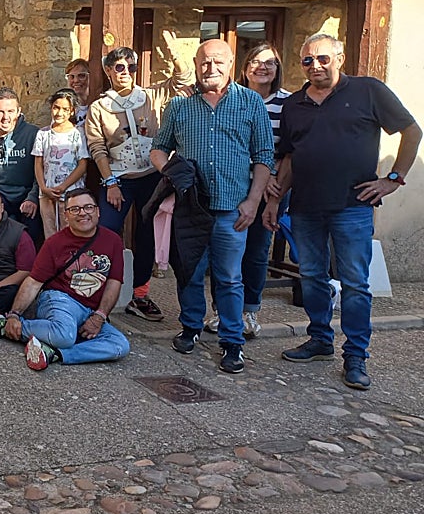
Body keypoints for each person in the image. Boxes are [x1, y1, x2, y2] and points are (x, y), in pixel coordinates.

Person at [270, 34, 421, 390]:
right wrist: (276, 200)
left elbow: (411, 131)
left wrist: (394, 179)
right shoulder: (295, 105)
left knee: (355, 284)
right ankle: (320, 339)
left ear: (339, 56)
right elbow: (290, 157)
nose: (315, 66)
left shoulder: (369, 91)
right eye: (308, 61)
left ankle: (355, 355)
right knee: (312, 277)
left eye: (323, 58)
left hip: (353, 207)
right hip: (305, 208)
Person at [151, 39, 274, 375]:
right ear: (195, 63)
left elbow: (264, 158)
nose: (211, 68)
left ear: (231, 63)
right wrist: (170, 172)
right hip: (191, 210)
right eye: (204, 62)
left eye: (218, 62)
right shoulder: (179, 107)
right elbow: (159, 148)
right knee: (188, 273)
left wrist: (252, 202)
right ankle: (190, 327)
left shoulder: (250, 103)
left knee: (230, 279)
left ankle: (232, 342)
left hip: (232, 210)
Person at [84, 35, 190, 322]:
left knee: (147, 235)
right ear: (108, 71)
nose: (126, 72)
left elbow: (182, 81)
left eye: (131, 66)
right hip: (119, 178)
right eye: (119, 67)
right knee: (105, 230)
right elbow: (97, 148)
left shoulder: (151, 96)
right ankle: (96, 291)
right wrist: (110, 183)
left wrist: (174, 54)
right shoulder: (99, 107)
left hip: (152, 177)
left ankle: (140, 294)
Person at [0, 189, 130, 371]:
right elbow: (33, 282)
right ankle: (5, 325)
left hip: (90, 310)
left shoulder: (113, 241)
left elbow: (114, 281)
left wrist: (100, 316)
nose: (83, 213)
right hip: (60, 299)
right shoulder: (55, 243)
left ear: (97, 211)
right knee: (64, 335)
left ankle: (53, 353)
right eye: (75, 209)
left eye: (88, 207)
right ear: (66, 215)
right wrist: (14, 314)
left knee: (120, 346)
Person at [205, 42, 291, 337]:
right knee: (224, 251)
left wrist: (270, 179)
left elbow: (288, 148)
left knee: (255, 250)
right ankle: (222, 310)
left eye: (269, 62)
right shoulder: (229, 99)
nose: (262, 67)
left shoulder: (287, 103)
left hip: (272, 188)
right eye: (255, 61)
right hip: (233, 185)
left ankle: (249, 311)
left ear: (277, 69)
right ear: (244, 67)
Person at [0, 87, 42, 248]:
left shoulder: (33, 134)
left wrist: (32, 198)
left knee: (31, 234)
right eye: (0, 112)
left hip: (27, 195)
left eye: (11, 111)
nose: (6, 117)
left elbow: (41, 172)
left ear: (18, 112)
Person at [32, 89, 89, 237]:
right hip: (47, 193)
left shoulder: (78, 133)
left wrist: (63, 187)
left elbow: (82, 165)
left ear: (72, 111)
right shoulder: (43, 134)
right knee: (50, 232)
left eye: (65, 109)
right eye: (56, 107)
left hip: (71, 193)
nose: (59, 113)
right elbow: (38, 163)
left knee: (71, 231)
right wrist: (44, 188)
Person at [64, 59, 92, 124]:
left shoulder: (99, 106)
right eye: (71, 77)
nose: (76, 80)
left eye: (81, 76)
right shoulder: (63, 107)